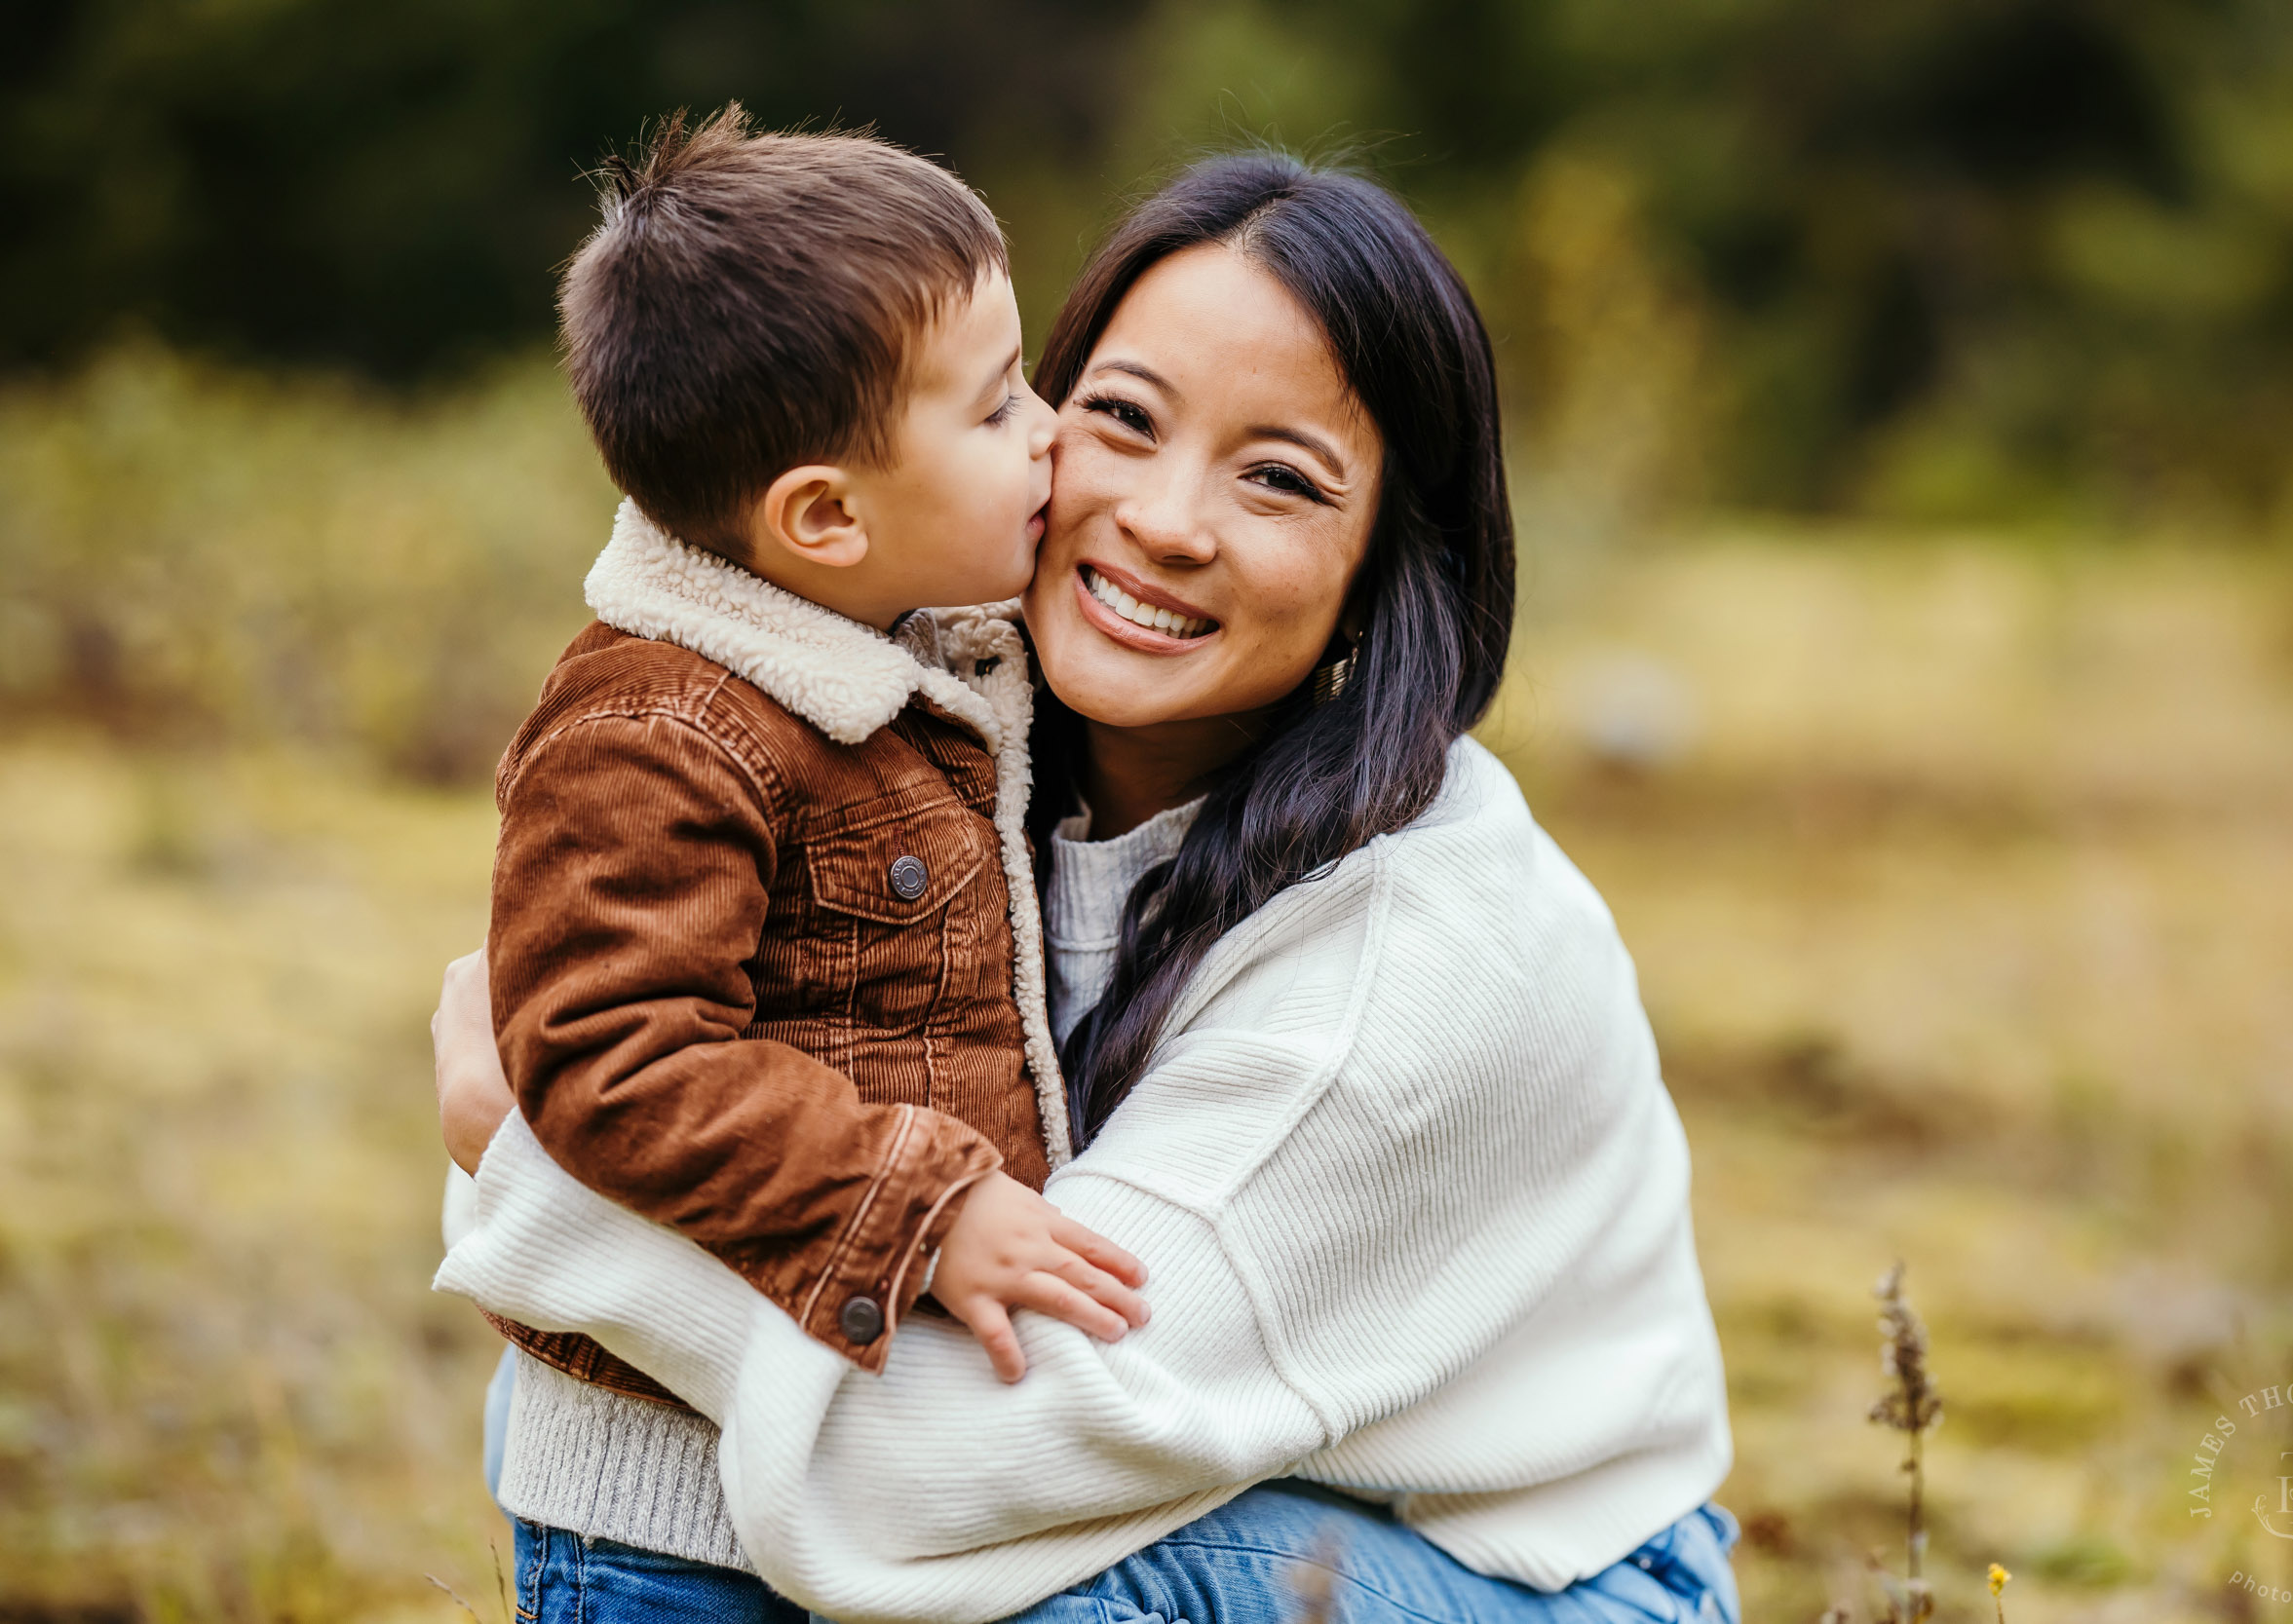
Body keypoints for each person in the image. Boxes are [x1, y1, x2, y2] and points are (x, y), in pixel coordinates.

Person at [436, 151, 1739, 1624]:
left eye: (1278, 479)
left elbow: (955, 1467)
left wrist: (537, 1186)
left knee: (1009, 1585)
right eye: (1117, 417)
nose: (1166, 519)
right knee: (612, 1446)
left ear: (1389, 564)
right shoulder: (912, 728)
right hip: (1158, 1473)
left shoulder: (1414, 957)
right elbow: (651, 1050)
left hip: (1512, 1572)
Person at [453, 103, 1159, 1615]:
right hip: (666, 1511)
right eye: (992, 412)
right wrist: (922, 1197)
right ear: (825, 517)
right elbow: (608, 1052)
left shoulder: (911, 648)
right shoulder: (653, 726)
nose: (1054, 429)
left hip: (860, 1462)